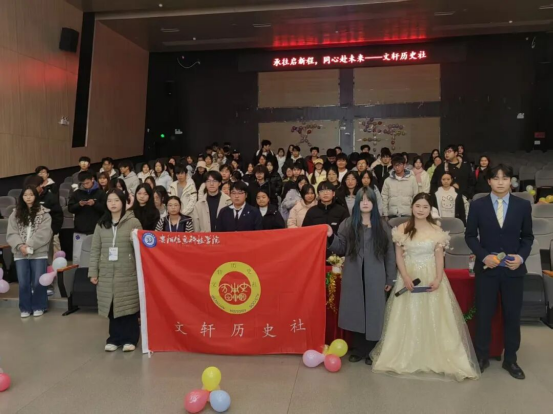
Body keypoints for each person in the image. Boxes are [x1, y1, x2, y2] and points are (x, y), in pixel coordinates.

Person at [371, 194, 481, 381]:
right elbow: (399, 256)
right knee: (407, 314)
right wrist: (405, 276)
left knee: (436, 316)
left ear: (430, 209)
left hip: (431, 275)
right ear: (412, 207)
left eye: (425, 207)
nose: (421, 210)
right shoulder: (402, 229)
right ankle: (407, 355)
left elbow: (439, 257)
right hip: (409, 274)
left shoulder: (436, 229)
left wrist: (438, 278)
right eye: (418, 206)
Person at [466, 165, 534, 380]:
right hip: (488, 269)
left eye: (505, 178)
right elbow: (470, 236)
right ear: (489, 181)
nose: (501, 182)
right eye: (496, 178)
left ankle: (511, 359)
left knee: (512, 315)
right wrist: (483, 256)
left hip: (513, 269)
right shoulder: (477, 205)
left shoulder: (523, 205)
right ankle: (482, 356)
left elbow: (527, 237)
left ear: (511, 181)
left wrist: (521, 258)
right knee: (484, 314)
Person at [327, 187, 396, 364]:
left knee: (375, 311)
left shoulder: (383, 225)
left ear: (374, 203)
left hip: (376, 276)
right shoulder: (348, 223)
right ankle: (358, 349)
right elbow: (341, 247)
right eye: (362, 200)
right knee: (355, 311)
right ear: (357, 203)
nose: (365, 203)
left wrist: (390, 277)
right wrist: (330, 236)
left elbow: (390, 253)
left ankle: (372, 351)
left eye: (369, 199)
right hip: (354, 275)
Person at [89, 189, 143, 353]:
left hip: (127, 271)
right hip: (106, 272)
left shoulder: (133, 222)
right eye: (109, 200)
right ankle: (114, 338)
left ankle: (130, 339)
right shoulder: (101, 224)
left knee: (128, 305)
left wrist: (134, 239)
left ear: (124, 202)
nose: (113, 204)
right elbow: (95, 249)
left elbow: (140, 249)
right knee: (111, 306)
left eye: (116, 200)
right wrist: (93, 272)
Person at [7, 186, 53, 318]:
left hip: (38, 252)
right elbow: (12, 233)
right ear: (22, 197)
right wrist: (20, 246)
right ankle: (25, 308)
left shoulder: (44, 213)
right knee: (23, 282)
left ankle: (39, 306)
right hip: (20, 253)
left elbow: (45, 233)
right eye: (25, 195)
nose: (28, 197)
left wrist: (29, 245)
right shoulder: (14, 214)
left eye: (31, 195)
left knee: (38, 281)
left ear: (36, 197)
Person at [68, 171, 106, 266]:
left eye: (87, 183)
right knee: (77, 256)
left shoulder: (100, 193)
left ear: (92, 179)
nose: (85, 185)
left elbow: (105, 210)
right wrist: (79, 204)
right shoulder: (76, 194)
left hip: (95, 229)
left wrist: (95, 204)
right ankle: (78, 273)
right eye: (83, 183)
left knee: (95, 255)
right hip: (79, 230)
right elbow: (70, 209)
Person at [23, 176, 63, 242]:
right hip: (30, 235)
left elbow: (58, 216)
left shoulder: (50, 197)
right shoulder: (25, 198)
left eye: (34, 187)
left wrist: (52, 232)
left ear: (41, 185)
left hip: (49, 235)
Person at [381, 155, 419, 220]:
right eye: (395, 165)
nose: (397, 167)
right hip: (392, 214)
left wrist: (414, 212)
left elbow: (416, 196)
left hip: (408, 214)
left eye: (399, 165)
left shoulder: (412, 179)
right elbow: (384, 197)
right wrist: (385, 214)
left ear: (404, 165)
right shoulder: (387, 180)